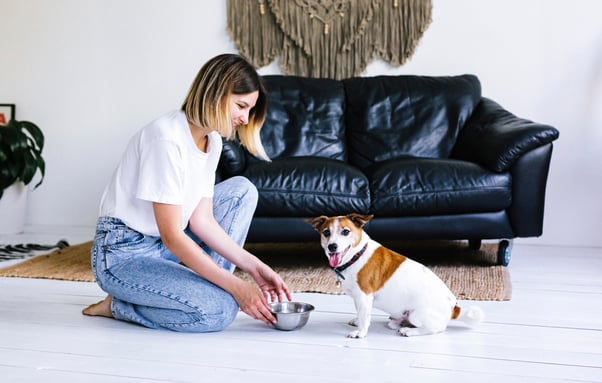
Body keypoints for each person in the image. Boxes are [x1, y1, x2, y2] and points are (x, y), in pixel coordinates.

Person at [82, 53, 292, 332]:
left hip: (161, 245)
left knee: (242, 190)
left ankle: (207, 286)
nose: (244, 118)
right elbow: (172, 237)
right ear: (216, 92)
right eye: (241, 106)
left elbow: (201, 221)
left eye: (250, 110)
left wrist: (255, 268)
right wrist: (237, 287)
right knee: (219, 311)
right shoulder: (166, 138)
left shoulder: (212, 141)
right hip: (123, 255)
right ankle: (118, 306)